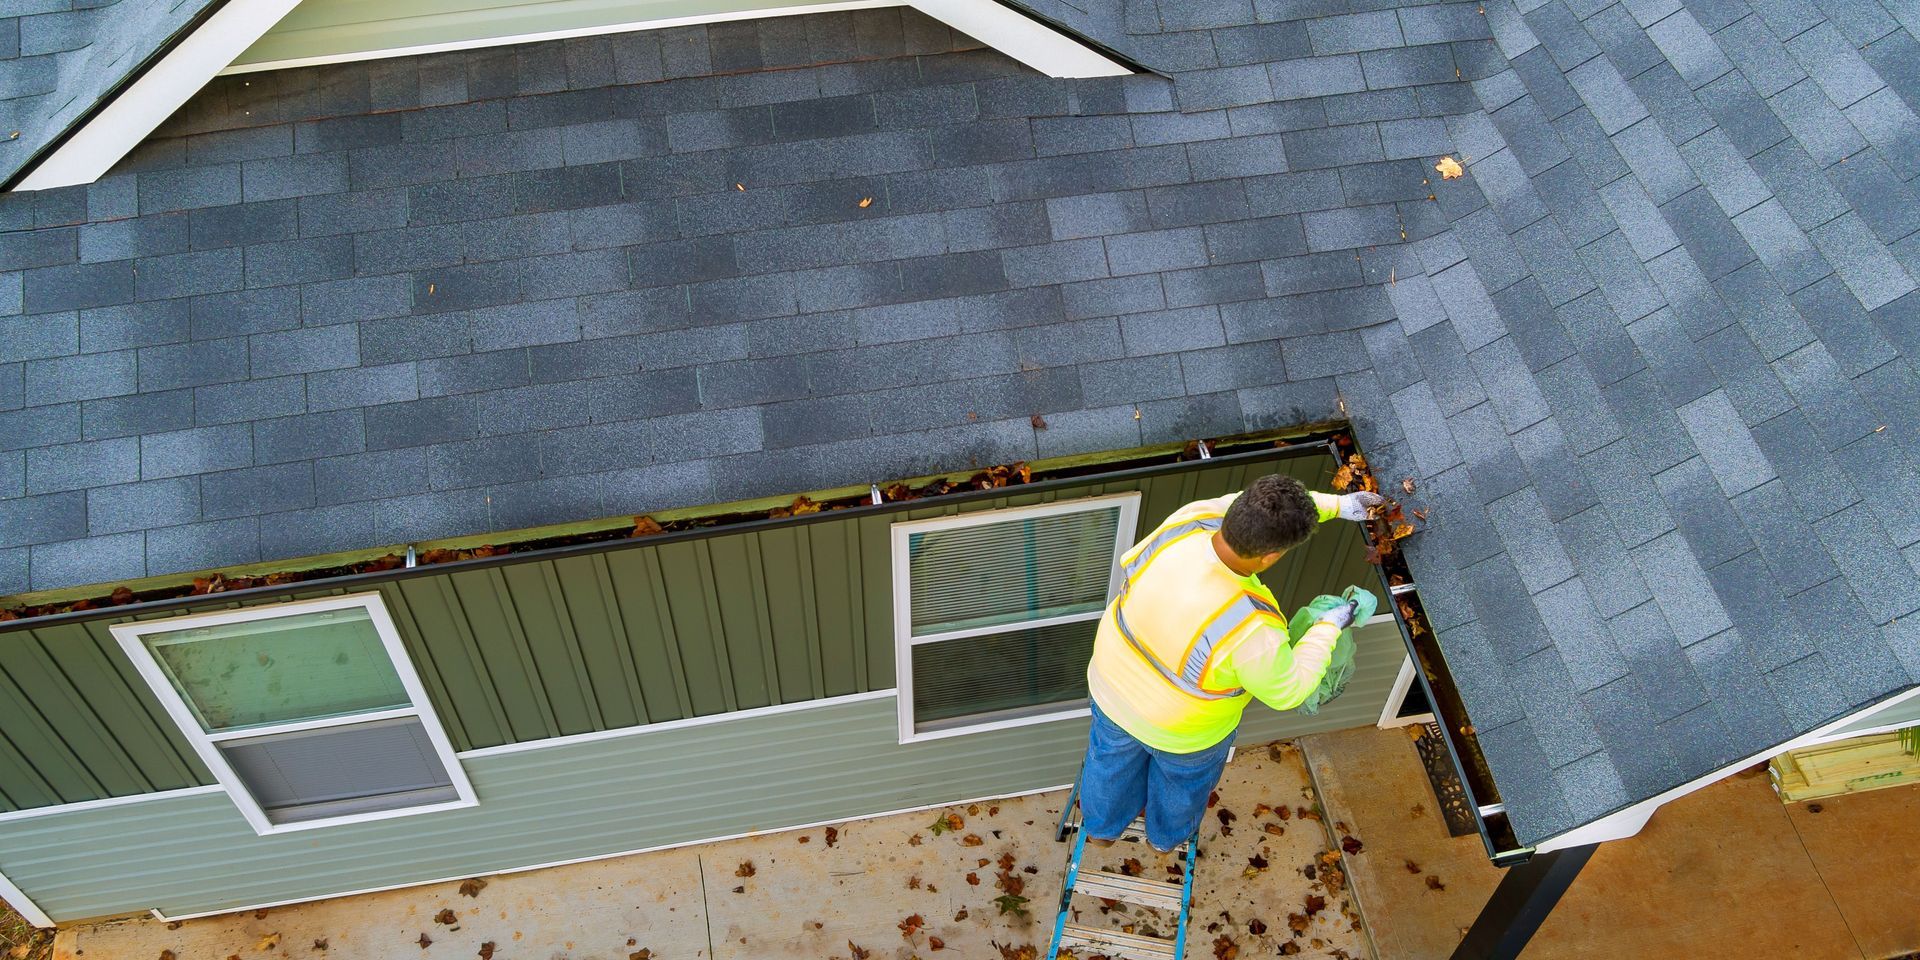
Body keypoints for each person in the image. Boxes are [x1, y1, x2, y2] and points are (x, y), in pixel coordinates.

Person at [1079, 473, 1382, 853]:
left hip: (1112, 689)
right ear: (1270, 556)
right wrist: (1328, 625)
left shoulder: (1191, 520)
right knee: (1180, 787)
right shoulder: (1250, 626)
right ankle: (1162, 840)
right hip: (1184, 733)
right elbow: (1289, 691)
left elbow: (1257, 505)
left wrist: (1340, 506)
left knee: (1108, 766)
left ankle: (1101, 832)